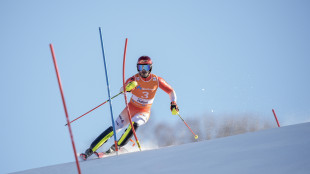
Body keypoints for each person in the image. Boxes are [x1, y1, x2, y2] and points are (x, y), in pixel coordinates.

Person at [80, 56, 179, 160]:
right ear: (137, 68)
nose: (143, 71)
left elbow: (171, 91)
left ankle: (116, 147)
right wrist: (127, 88)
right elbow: (122, 88)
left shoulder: (156, 80)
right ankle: (90, 150)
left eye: (146, 67)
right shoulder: (134, 79)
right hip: (130, 109)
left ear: (150, 68)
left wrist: (173, 103)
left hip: (144, 112)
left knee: (134, 123)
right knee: (114, 129)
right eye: (141, 68)